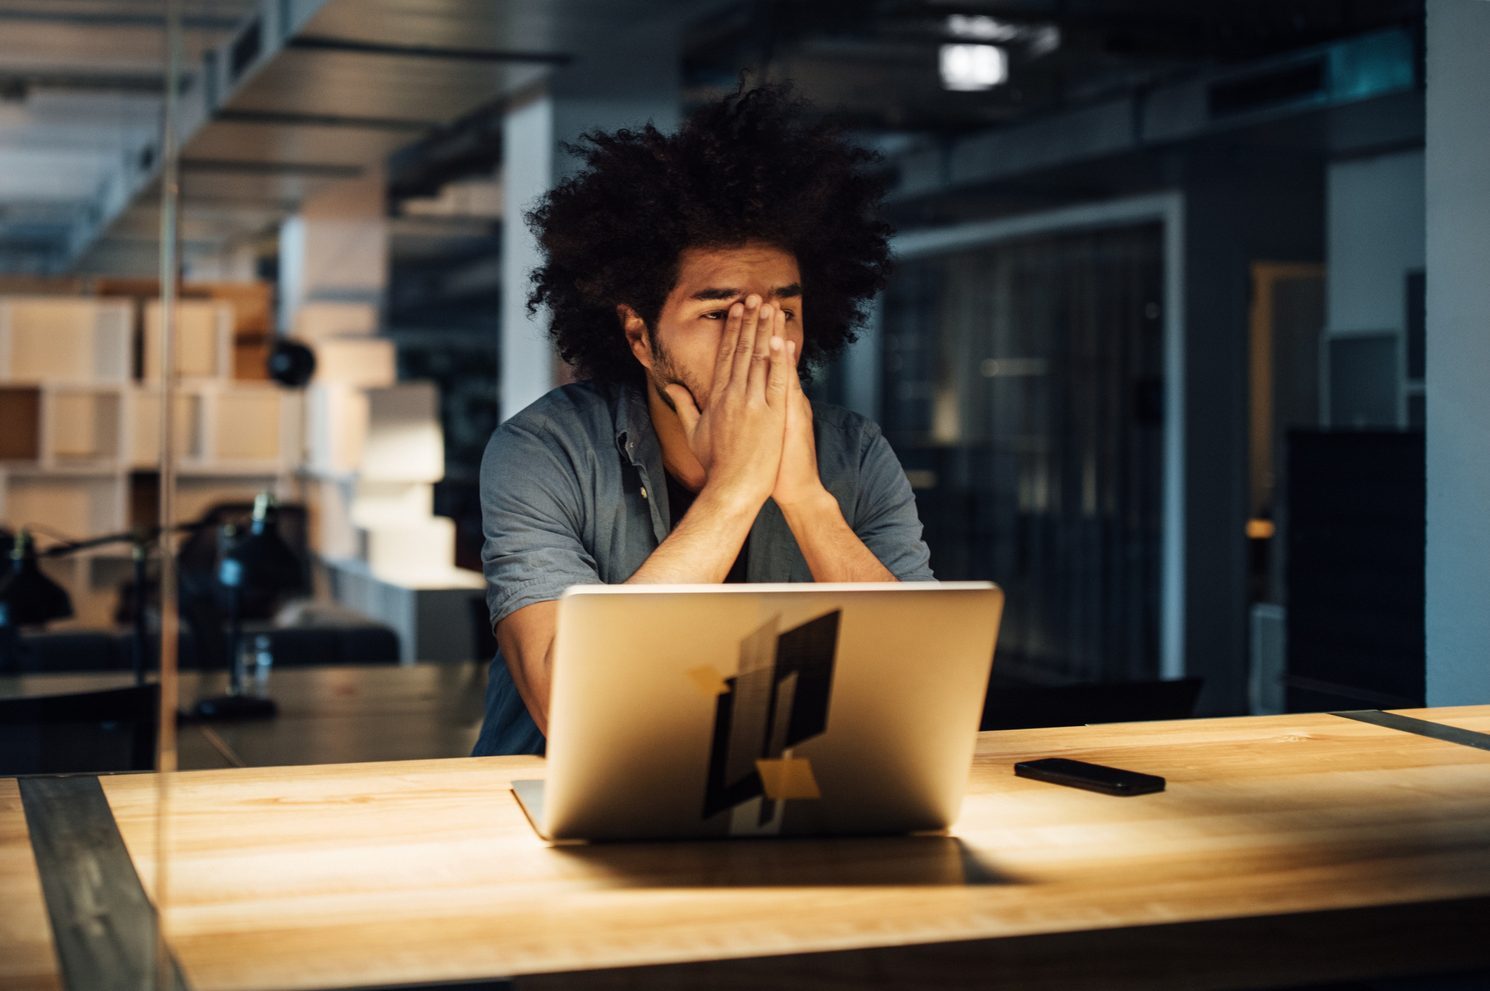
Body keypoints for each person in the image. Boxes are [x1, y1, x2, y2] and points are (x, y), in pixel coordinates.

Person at [473, 85, 933, 756]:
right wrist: (734, 491)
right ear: (638, 334)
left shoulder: (855, 454)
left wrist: (807, 503)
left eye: (784, 313)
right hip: (551, 813)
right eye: (719, 315)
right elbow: (567, 704)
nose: (762, 343)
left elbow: (925, 688)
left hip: (781, 801)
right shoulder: (542, 452)